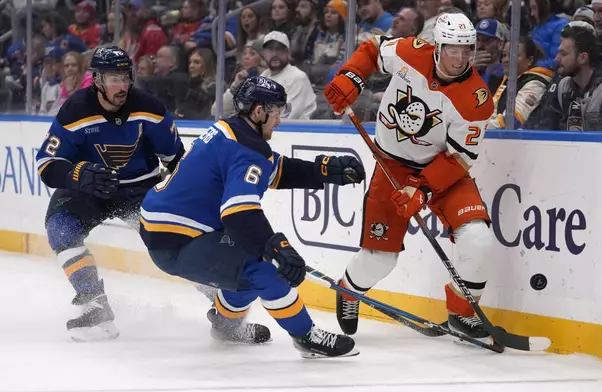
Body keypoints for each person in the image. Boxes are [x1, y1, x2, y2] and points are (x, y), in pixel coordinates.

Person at [139, 76, 366, 358]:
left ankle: (225, 325)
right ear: (259, 111)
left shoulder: (229, 129)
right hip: (178, 239)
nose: (279, 121)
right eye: (276, 112)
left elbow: (272, 168)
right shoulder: (247, 149)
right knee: (264, 267)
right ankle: (306, 336)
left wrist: (321, 171)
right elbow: (238, 212)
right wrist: (275, 247)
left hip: (164, 227)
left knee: (247, 264)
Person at [324, 13, 496, 341]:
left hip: (443, 173)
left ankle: (461, 314)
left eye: (467, 50)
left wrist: (423, 190)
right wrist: (351, 76)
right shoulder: (409, 52)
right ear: (436, 47)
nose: (460, 58)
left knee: (478, 239)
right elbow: (373, 51)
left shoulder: (477, 101)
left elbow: (460, 157)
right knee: (379, 260)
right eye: (452, 50)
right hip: (393, 167)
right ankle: (349, 289)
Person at [35, 46, 185, 342]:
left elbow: (177, 159)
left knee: (176, 239)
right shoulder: (76, 109)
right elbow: (46, 163)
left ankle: (223, 307)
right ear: (97, 80)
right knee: (61, 228)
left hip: (140, 187)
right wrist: (76, 175)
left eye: (126, 77)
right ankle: (94, 304)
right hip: (88, 189)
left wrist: (185, 198)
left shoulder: (149, 108)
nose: (122, 86)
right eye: (113, 79)